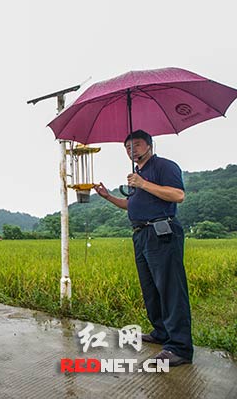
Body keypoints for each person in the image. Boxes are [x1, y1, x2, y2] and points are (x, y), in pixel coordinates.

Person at [94, 129, 193, 367]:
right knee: (151, 288)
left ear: (149, 145)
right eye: (127, 147)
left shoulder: (163, 166)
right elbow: (131, 205)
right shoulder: (138, 173)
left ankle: (179, 347)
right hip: (141, 234)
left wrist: (143, 183)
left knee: (170, 289)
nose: (132, 150)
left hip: (162, 232)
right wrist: (108, 196)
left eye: (136, 145)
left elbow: (178, 195)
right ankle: (161, 332)